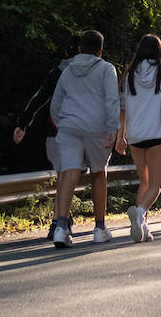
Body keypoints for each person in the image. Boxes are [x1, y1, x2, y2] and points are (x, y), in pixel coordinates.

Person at [47, 29, 121, 248]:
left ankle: (61, 227)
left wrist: (64, 124)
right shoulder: (107, 69)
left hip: (69, 127)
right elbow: (112, 100)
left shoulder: (67, 71)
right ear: (100, 50)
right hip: (97, 128)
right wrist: (113, 129)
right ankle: (99, 228)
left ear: (79, 49)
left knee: (68, 172)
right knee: (98, 173)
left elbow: (56, 103)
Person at [118, 33, 161, 243]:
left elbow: (122, 107)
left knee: (144, 182)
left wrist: (121, 135)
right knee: (156, 184)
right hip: (155, 134)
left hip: (135, 135)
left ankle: (142, 228)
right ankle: (140, 212)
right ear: (160, 50)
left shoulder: (129, 74)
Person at [11, 35, 80, 184]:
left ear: (67, 52)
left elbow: (39, 97)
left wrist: (22, 123)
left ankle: (59, 206)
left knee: (62, 175)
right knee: (71, 175)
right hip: (85, 133)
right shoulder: (100, 73)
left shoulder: (57, 73)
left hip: (56, 130)